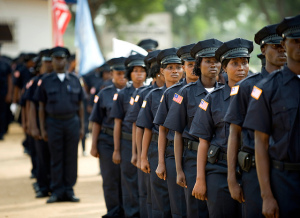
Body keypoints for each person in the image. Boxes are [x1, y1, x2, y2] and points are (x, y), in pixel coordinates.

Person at [224, 24, 286, 217]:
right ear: (263, 49)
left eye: (283, 45)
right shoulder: (247, 87)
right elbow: (234, 134)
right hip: (253, 173)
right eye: (275, 46)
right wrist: (232, 179)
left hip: (287, 173)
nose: (281, 50)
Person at [243, 15, 300, 218]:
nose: (299, 46)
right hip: (284, 180)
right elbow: (260, 142)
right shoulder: (265, 88)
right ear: (285, 44)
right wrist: (266, 196)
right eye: (295, 41)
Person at [190, 38, 253, 218]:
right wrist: (200, 179)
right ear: (224, 68)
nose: (241, 67)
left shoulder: (259, 95)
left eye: (244, 63)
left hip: (251, 169)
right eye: (234, 63)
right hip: (219, 169)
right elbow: (203, 141)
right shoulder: (212, 99)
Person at [164, 39, 223, 218]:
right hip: (192, 159)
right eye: (208, 61)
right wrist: (179, 169)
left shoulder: (228, 92)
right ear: (199, 65)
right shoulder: (185, 93)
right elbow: (177, 133)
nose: (213, 65)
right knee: (196, 210)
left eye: (216, 61)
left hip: (220, 161)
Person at [154, 43, 199, 218]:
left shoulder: (216, 89)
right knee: (180, 206)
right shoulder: (174, 93)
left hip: (207, 155)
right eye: (188, 64)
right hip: (176, 154)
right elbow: (163, 131)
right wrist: (161, 162)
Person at [137, 48, 183, 217]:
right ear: (161, 71)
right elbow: (146, 128)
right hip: (158, 150)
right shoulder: (153, 95)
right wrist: (143, 157)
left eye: (178, 67)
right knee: (160, 198)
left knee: (180, 200)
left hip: (182, 149)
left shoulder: (187, 92)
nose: (174, 71)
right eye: (170, 67)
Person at [35, 46, 84, 203]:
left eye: (61, 58)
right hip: (53, 122)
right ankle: (56, 190)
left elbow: (81, 105)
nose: (58, 61)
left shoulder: (75, 80)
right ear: (52, 61)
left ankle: (69, 190)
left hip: (71, 122)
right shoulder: (46, 81)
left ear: (67, 61)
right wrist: (42, 128)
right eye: (55, 58)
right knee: (55, 157)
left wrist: (82, 126)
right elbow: (41, 106)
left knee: (71, 157)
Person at [125, 50, 165, 217]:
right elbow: (138, 126)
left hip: (170, 150)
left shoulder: (179, 91)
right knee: (148, 192)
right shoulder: (145, 94)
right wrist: (138, 153)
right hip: (151, 148)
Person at [89, 57, 127, 217]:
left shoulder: (135, 93)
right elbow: (97, 121)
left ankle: (127, 211)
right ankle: (113, 211)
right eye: (118, 73)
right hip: (107, 141)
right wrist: (93, 145)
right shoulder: (104, 93)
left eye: (125, 73)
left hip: (127, 141)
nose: (122, 77)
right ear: (112, 74)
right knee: (110, 178)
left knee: (126, 179)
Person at [111, 54, 147, 218]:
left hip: (145, 142)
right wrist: (117, 149)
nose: (139, 74)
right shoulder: (123, 94)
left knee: (144, 182)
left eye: (142, 71)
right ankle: (131, 214)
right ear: (129, 74)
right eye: (135, 71)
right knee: (129, 180)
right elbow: (118, 123)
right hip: (127, 141)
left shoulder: (150, 91)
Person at [0, 51, 12, 140]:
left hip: (3, 91)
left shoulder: (5, 63)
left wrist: (9, 93)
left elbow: (10, 79)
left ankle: (1, 132)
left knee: (2, 113)